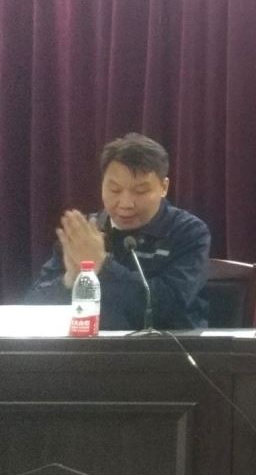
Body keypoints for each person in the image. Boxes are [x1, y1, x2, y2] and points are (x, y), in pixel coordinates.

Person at [24, 133, 210, 330]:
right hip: (93, 345)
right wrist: (70, 279)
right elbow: (32, 307)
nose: (125, 203)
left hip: (166, 346)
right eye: (114, 190)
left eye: (140, 191)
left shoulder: (188, 232)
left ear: (164, 187)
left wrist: (102, 266)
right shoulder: (84, 234)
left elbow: (169, 305)